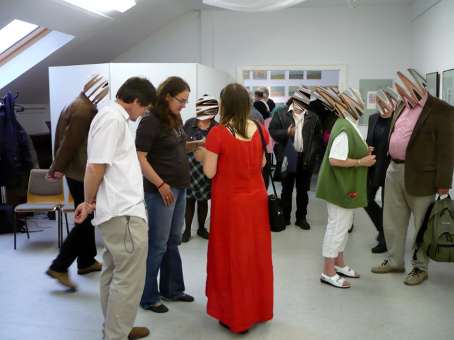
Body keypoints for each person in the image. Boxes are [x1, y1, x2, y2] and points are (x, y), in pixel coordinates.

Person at [74, 76, 156, 340]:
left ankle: (118, 328)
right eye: (144, 108)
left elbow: (107, 166)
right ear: (134, 101)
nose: (144, 113)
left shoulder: (113, 118)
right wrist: (87, 202)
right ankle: (116, 334)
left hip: (119, 211)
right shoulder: (112, 120)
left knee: (115, 273)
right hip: (124, 214)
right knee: (128, 279)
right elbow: (95, 166)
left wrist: (92, 201)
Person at [195, 83, 273, 334]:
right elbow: (262, 162)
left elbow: (210, 171)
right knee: (254, 256)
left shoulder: (219, 133)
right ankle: (256, 309)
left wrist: (201, 155)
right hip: (255, 200)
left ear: (225, 104)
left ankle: (235, 316)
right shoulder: (260, 129)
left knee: (231, 257)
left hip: (230, 204)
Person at [371, 70, 454, 285]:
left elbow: (447, 151)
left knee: (422, 226)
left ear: (418, 86)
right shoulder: (401, 106)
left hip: (422, 176)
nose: (401, 92)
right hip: (394, 170)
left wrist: (444, 183)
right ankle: (395, 261)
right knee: (392, 222)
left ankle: (420, 268)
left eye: (405, 87)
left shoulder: (441, 110)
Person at [136, 76, 195, 314]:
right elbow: (140, 158)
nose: (184, 105)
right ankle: (148, 297)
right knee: (158, 244)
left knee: (173, 241)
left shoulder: (175, 117)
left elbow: (178, 147)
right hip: (162, 191)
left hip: (179, 187)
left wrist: (199, 144)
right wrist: (160, 184)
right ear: (168, 96)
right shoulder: (150, 120)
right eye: (181, 100)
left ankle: (172, 289)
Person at [46, 78, 108, 290]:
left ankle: (86, 261)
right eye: (103, 91)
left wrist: (58, 166)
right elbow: (70, 143)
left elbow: (62, 140)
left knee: (86, 217)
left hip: (76, 171)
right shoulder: (84, 110)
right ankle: (59, 266)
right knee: (86, 217)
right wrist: (56, 167)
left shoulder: (75, 103)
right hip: (81, 173)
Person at [316, 89, 376, 288]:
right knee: (337, 228)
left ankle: (339, 263)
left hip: (344, 186)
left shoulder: (347, 124)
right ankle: (328, 270)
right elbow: (335, 159)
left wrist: (362, 151)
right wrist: (362, 160)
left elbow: (344, 150)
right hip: (339, 188)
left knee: (342, 226)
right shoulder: (344, 127)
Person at [269, 87, 323, 230]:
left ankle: (301, 218)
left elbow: (318, 137)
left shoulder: (313, 117)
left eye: (304, 102)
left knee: (303, 191)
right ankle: (285, 217)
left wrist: (312, 153)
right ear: (294, 99)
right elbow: (273, 132)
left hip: (306, 157)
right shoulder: (281, 114)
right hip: (288, 156)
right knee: (286, 189)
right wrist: (286, 132)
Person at [182, 95, 219, 242]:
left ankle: (202, 228)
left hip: (206, 168)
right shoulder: (189, 123)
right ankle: (187, 230)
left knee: (203, 201)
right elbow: (183, 144)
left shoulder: (216, 127)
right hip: (189, 168)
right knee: (189, 200)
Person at [364, 90, 394, 254]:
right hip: (374, 166)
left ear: (391, 102)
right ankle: (383, 229)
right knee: (366, 200)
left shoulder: (397, 120)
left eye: (385, 102)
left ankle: (384, 239)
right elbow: (370, 141)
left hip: (390, 169)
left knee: (387, 206)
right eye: (379, 102)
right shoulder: (373, 118)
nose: (382, 105)